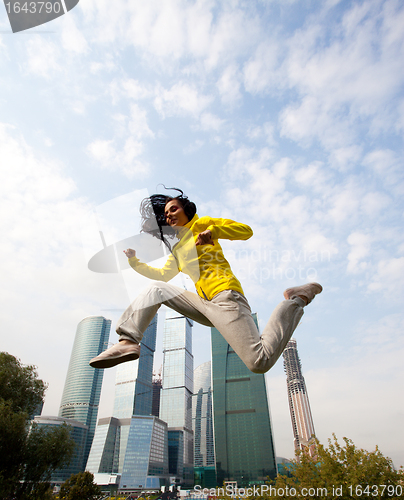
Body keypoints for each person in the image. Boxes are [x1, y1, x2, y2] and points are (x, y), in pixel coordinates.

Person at [90, 189, 322, 374]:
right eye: (166, 213)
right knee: (156, 289)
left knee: (258, 362)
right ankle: (128, 340)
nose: (169, 214)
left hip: (226, 296)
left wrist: (213, 232)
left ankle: (296, 299)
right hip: (204, 304)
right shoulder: (178, 248)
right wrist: (134, 261)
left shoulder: (203, 224)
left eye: (173, 209)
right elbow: (162, 276)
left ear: (186, 210)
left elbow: (246, 231)